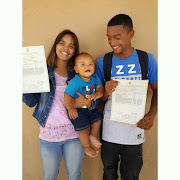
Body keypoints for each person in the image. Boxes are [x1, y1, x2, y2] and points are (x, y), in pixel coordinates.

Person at [23, 30, 93, 180]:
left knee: (75, 175)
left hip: (75, 134)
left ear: (74, 51)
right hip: (49, 135)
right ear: (56, 45)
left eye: (71, 46)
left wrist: (86, 102)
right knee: (49, 176)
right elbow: (31, 102)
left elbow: (92, 104)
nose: (65, 48)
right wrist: (23, 83)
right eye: (62, 43)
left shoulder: (78, 74)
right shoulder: (42, 72)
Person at [95, 14, 158, 180]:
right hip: (109, 132)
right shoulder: (103, 62)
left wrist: (152, 115)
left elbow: (158, 90)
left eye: (117, 37)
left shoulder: (146, 59)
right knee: (108, 174)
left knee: (131, 175)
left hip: (135, 131)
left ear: (131, 34)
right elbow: (98, 98)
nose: (112, 42)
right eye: (109, 38)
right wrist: (105, 93)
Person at [64, 53, 104, 158]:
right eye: (83, 64)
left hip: (90, 109)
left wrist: (98, 93)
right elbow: (67, 95)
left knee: (98, 119)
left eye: (90, 64)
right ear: (76, 69)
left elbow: (100, 87)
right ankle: (87, 147)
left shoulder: (95, 78)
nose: (87, 67)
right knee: (83, 128)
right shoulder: (75, 81)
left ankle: (92, 136)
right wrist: (70, 108)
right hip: (78, 110)